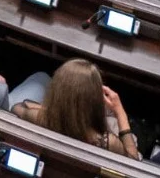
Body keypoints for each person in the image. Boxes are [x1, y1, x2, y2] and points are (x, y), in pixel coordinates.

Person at [11, 60, 139, 159]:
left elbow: (16, 107)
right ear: (94, 101)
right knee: (111, 119)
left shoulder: (37, 117)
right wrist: (120, 113)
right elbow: (132, 160)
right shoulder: (107, 143)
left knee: (41, 77)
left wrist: (58, 110)